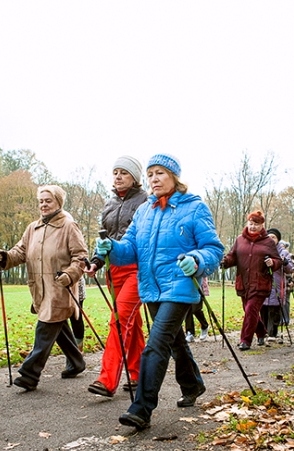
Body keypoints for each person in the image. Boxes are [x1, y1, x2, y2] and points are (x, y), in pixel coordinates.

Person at [94, 153, 224, 431]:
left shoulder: (194, 207)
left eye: (160, 173)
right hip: (151, 287)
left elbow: (214, 248)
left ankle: (142, 408)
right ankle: (193, 385)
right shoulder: (144, 211)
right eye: (150, 174)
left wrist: (198, 260)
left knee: (156, 344)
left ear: (174, 177)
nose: (154, 179)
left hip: (180, 285)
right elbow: (129, 250)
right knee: (174, 341)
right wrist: (111, 250)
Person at [0, 185, 87, 391]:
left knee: (45, 329)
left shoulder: (69, 226)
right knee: (56, 324)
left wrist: (70, 274)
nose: (43, 205)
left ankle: (30, 374)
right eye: (41, 201)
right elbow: (20, 251)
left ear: (58, 202)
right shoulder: (32, 228)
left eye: (48, 201)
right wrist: (5, 257)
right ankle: (76, 361)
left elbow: (81, 257)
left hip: (60, 289)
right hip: (39, 289)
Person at [84, 156, 149, 398]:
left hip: (135, 268)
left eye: (124, 172)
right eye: (115, 172)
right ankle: (139, 373)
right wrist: (95, 262)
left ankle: (107, 379)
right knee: (132, 322)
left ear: (135, 178)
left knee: (120, 320)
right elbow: (105, 239)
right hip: (114, 270)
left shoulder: (145, 201)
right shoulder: (109, 204)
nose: (118, 176)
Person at [220, 211, 282, 351]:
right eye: (251, 224)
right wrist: (225, 262)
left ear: (262, 225)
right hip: (244, 282)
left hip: (260, 283)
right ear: (247, 223)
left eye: (257, 224)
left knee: (250, 310)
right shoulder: (240, 239)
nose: (253, 227)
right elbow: (232, 257)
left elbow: (278, 260)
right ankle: (261, 332)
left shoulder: (268, 242)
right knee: (250, 312)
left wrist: (272, 262)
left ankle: (245, 340)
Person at [258, 230, 294, 346]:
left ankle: (272, 333)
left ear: (278, 239)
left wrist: (284, 263)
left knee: (274, 308)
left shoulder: (283, 252)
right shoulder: (261, 250)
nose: (271, 239)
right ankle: (264, 332)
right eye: (268, 237)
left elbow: (290, 268)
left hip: (277, 283)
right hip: (263, 283)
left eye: (273, 237)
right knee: (263, 309)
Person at [184, 277, 210, 342]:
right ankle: (190, 332)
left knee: (196, 309)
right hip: (185, 285)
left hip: (198, 285)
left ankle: (204, 326)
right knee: (187, 310)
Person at [69, 277, 86, 351]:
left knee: (76, 317)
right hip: (57, 286)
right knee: (58, 319)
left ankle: (79, 348)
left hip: (76, 284)